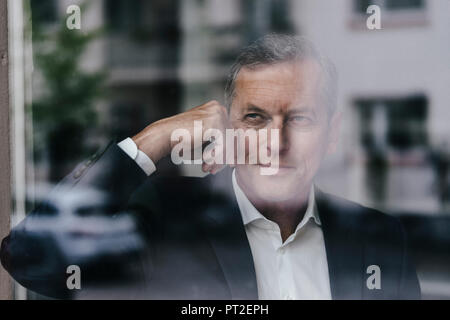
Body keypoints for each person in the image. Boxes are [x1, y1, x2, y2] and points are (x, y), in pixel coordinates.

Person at [1, 34, 420, 299]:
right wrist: (153, 140)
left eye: (300, 118)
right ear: (227, 126)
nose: (275, 143)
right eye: (255, 118)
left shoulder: (379, 239)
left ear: (332, 134)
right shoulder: (163, 226)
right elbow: (30, 260)